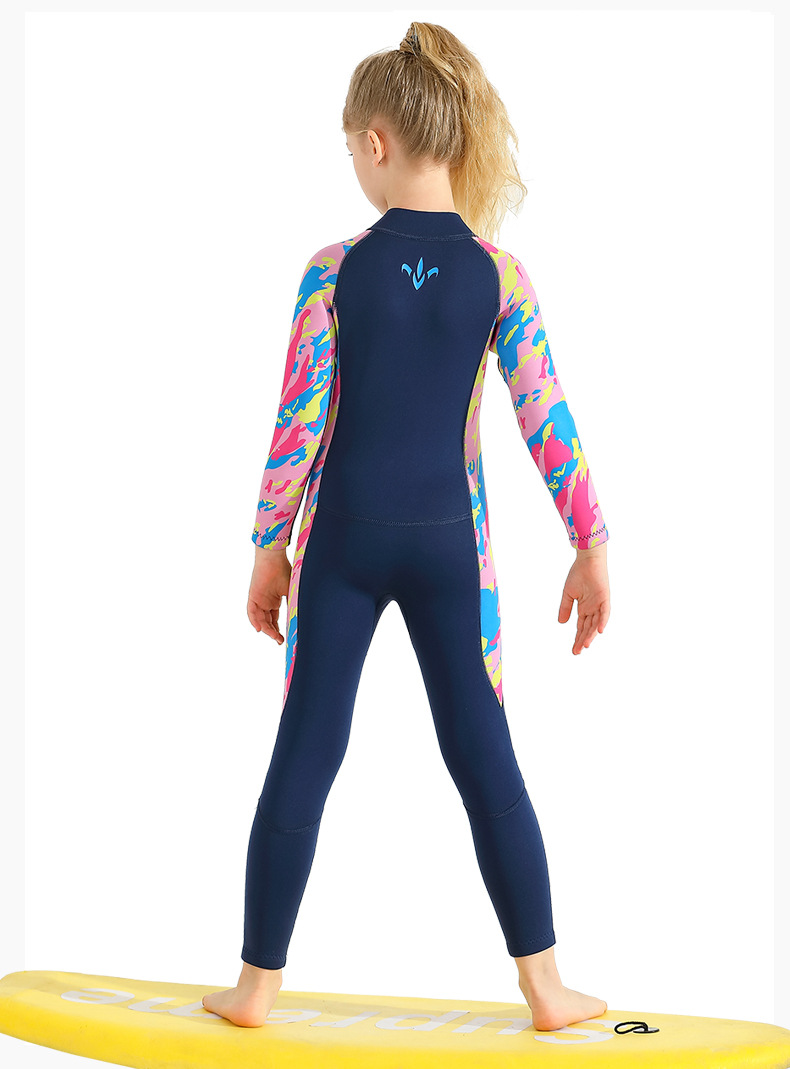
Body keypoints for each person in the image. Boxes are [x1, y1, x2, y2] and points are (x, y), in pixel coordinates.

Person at [203, 21, 611, 1032]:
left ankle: (255, 988)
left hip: (341, 544)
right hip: (449, 553)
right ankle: (545, 988)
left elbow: (298, 424)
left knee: (306, 750)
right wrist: (590, 542)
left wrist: (269, 548)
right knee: (483, 757)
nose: (352, 163)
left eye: (350, 148)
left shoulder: (332, 269)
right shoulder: (499, 275)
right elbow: (546, 417)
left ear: (377, 142)